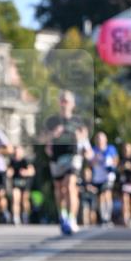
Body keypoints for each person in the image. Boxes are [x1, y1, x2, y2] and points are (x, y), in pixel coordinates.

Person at [43, 90, 91, 235]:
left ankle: (72, 219)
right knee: (59, 190)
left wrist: (81, 141)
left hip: (73, 156)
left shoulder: (78, 121)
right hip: (57, 157)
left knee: (70, 186)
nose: (64, 103)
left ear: (73, 104)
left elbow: (84, 138)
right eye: (62, 100)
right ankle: (62, 215)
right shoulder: (52, 121)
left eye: (67, 101)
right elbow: (43, 141)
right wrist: (52, 136)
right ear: (59, 103)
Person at [89, 131, 118, 226]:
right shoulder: (94, 150)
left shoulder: (110, 148)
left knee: (107, 193)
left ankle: (108, 217)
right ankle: (103, 218)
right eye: (98, 139)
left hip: (108, 176)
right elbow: (90, 163)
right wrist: (95, 160)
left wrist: (111, 166)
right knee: (100, 196)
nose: (100, 141)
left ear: (105, 139)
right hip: (98, 177)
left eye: (101, 138)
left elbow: (115, 160)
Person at [6, 145, 35, 225]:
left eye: (18, 151)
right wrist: (9, 173)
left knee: (24, 200)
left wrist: (25, 172)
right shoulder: (12, 161)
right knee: (15, 199)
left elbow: (32, 171)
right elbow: (9, 171)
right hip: (16, 182)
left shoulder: (26, 161)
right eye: (16, 151)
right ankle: (16, 217)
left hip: (25, 183)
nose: (17, 153)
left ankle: (25, 215)